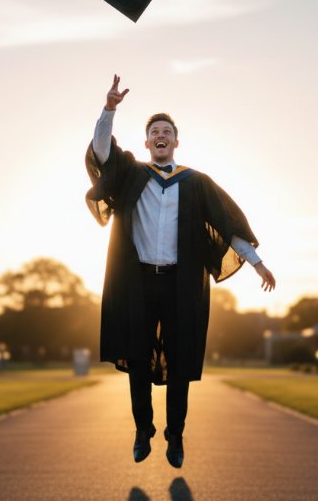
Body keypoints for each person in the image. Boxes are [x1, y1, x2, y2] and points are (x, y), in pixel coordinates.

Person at [85, 74, 276, 468]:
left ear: (175, 141)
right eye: (154, 131)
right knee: (137, 361)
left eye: (166, 131)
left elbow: (227, 225)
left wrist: (257, 263)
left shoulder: (196, 183)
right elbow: (101, 152)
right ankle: (143, 430)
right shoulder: (131, 172)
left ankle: (175, 436)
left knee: (181, 365)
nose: (160, 135)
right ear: (146, 142)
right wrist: (109, 110)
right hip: (137, 284)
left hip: (179, 286)